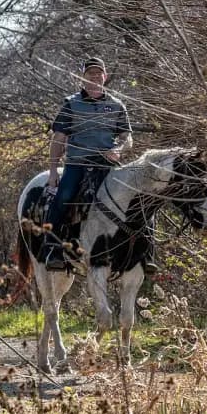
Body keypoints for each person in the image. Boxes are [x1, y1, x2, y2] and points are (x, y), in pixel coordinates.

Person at [41, 57, 138, 270]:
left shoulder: (116, 105)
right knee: (65, 195)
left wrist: (118, 149)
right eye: (90, 73)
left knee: (135, 198)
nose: (95, 77)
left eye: (99, 73)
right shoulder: (71, 103)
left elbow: (127, 138)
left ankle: (141, 250)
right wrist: (52, 172)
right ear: (82, 77)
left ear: (105, 76)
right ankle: (53, 248)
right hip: (78, 163)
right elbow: (58, 139)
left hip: (107, 164)